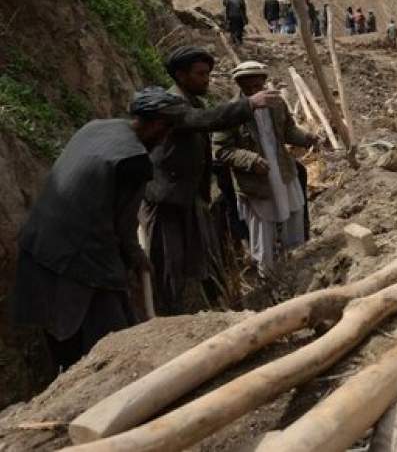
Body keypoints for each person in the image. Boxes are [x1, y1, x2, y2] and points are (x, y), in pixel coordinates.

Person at [11, 88, 188, 371]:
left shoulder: (98, 127)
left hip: (38, 245)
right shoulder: (133, 160)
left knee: (66, 339)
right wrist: (138, 257)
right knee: (111, 345)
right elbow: (124, 226)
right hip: (79, 258)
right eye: (167, 130)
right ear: (157, 125)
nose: (165, 138)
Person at [139, 47, 283, 314]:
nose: (207, 79)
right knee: (168, 267)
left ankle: (210, 311)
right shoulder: (171, 105)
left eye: (208, 73)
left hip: (188, 198)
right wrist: (250, 104)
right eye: (201, 74)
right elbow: (206, 121)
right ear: (181, 76)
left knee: (202, 258)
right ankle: (170, 321)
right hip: (166, 200)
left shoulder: (191, 101)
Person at [214, 62, 321, 277]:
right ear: (239, 85)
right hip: (256, 181)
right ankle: (267, 275)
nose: (255, 90)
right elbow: (220, 150)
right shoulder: (231, 111)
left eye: (258, 85)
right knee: (262, 227)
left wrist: (308, 138)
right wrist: (251, 160)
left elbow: (288, 131)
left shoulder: (276, 103)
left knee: (295, 215)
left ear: (264, 82)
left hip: (282, 171)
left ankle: (296, 266)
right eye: (249, 87)